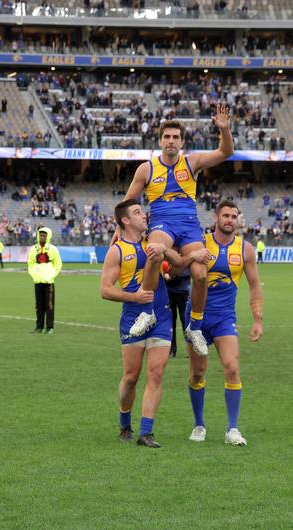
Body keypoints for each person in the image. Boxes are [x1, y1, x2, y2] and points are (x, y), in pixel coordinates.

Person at [117, 109, 234, 357]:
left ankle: (195, 327)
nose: (171, 141)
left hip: (189, 225)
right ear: (160, 141)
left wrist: (223, 129)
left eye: (176, 137)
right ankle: (147, 312)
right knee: (154, 253)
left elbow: (225, 152)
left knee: (201, 275)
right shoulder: (146, 169)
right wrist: (119, 230)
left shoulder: (192, 163)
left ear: (182, 142)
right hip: (163, 224)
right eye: (167, 136)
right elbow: (127, 203)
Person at [100, 200, 206, 448]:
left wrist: (193, 256)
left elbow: (179, 264)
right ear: (125, 220)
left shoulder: (156, 243)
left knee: (156, 373)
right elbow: (104, 290)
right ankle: (124, 421)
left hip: (161, 314)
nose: (143, 215)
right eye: (137, 212)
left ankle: (146, 432)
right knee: (130, 378)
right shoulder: (117, 250)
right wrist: (134, 297)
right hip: (132, 316)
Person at [185, 200, 264, 446]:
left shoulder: (245, 249)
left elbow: (254, 285)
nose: (230, 220)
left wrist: (258, 319)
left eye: (234, 216)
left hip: (224, 318)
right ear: (216, 217)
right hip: (196, 317)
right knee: (197, 373)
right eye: (225, 215)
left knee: (231, 367)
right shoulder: (201, 243)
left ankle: (232, 429)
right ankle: (199, 425)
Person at [27, 227, 62, 334]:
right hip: (37, 281)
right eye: (41, 235)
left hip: (49, 282)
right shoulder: (34, 249)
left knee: (49, 305)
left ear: (48, 237)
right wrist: (34, 275)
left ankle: (49, 327)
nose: (42, 237)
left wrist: (51, 275)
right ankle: (39, 327)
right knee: (39, 305)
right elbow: (30, 263)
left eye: (44, 235)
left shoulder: (53, 249)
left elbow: (58, 264)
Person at [162, 262, 191, 358]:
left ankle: (190, 349)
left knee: (185, 322)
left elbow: (188, 271)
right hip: (168, 293)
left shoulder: (185, 253)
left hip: (183, 293)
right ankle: (172, 350)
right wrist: (164, 274)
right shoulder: (166, 254)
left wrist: (172, 275)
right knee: (170, 322)